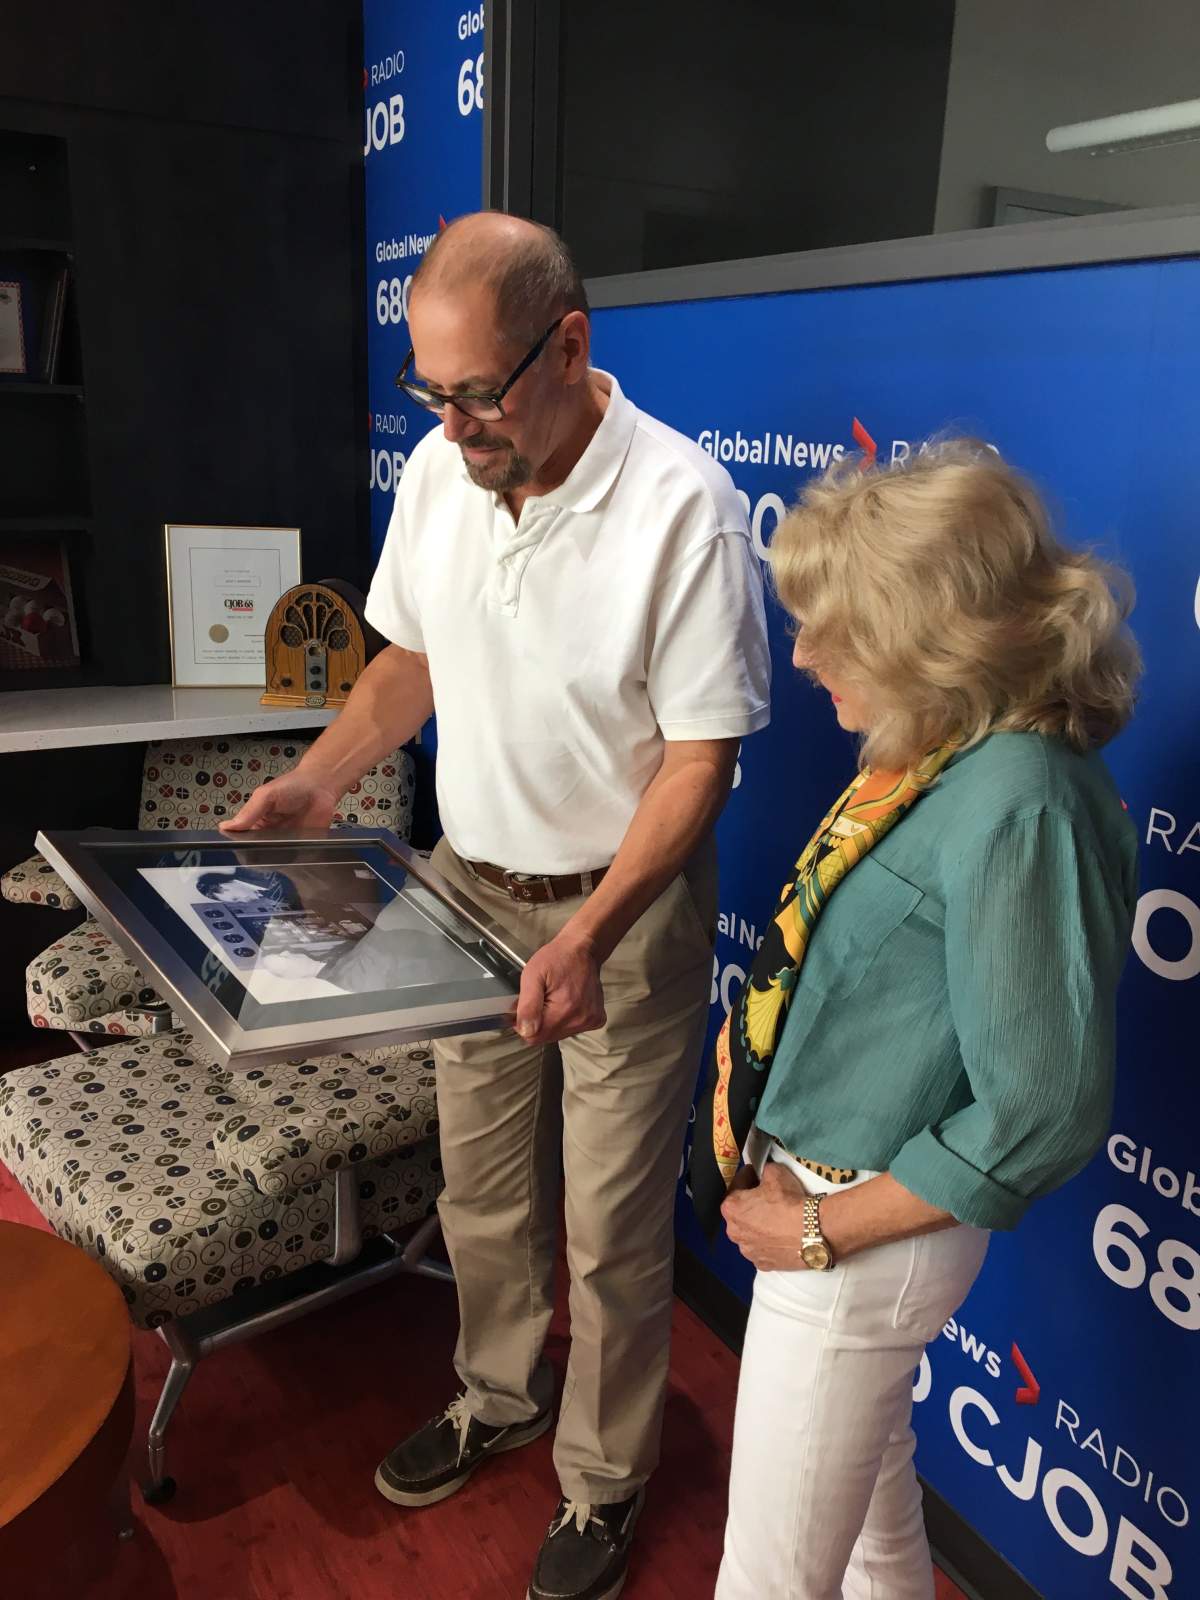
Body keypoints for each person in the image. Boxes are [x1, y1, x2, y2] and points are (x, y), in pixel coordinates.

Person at [223, 211, 770, 1600]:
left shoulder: (685, 507)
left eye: (478, 393)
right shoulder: (440, 471)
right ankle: (500, 1396)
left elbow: (700, 763)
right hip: (468, 886)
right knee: (482, 1192)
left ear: (569, 347)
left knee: (614, 1225)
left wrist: (588, 935)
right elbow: (410, 661)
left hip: (621, 916)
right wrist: (318, 780)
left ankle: (605, 1478)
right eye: (431, 392)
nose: (454, 427)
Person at [689, 440, 1140, 1600]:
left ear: (935, 637)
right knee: (878, 1530)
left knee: (768, 1580)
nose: (801, 655)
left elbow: (1041, 1107)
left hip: (859, 1239)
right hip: (830, 1210)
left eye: (836, 632)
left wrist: (820, 1230)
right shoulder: (942, 746)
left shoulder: (1021, 799)